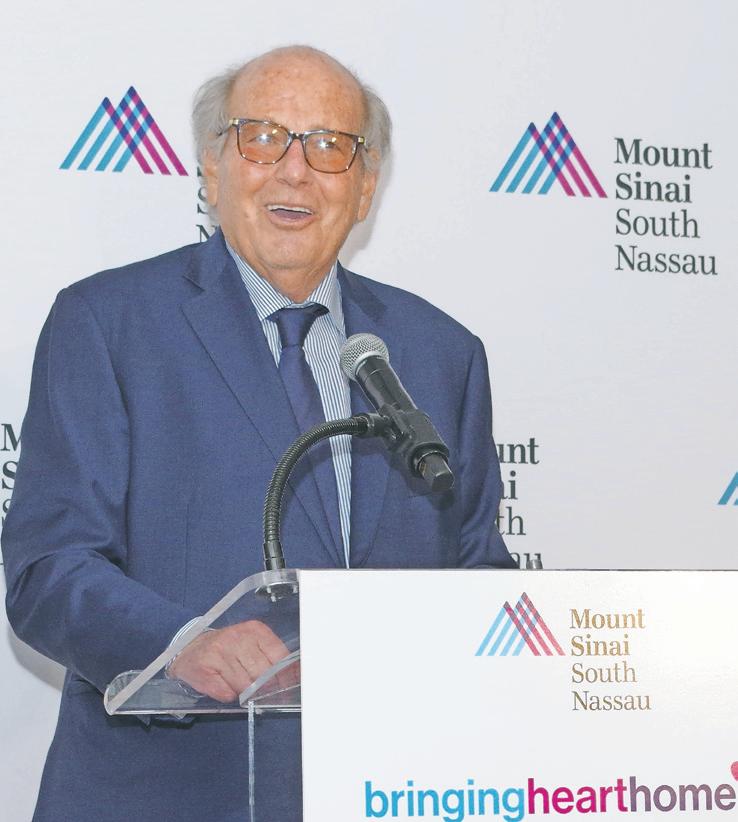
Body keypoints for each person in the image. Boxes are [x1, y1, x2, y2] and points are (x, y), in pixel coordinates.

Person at [2, 45, 514, 822]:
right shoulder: (107, 323)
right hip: (165, 795)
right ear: (212, 168)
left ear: (366, 186)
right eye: (263, 138)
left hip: (388, 789)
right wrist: (181, 643)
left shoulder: (441, 353)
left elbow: (478, 574)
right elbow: (49, 567)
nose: (295, 171)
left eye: (330, 146)